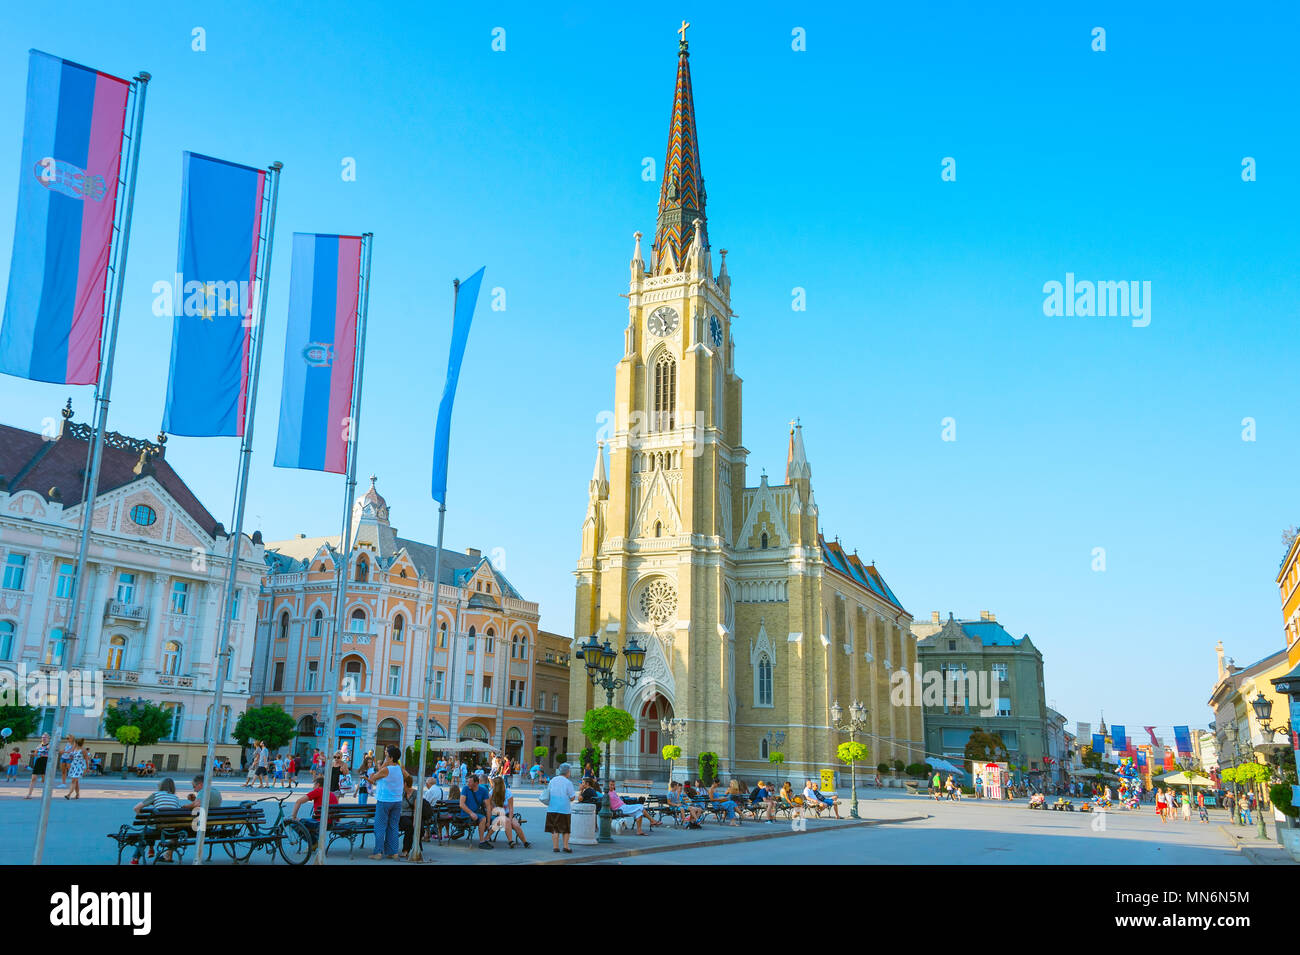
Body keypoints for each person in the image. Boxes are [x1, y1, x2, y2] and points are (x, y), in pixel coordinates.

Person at [366, 745, 404, 860]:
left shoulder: (386, 769)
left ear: (391, 758)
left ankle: (378, 852)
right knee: (393, 826)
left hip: (384, 800)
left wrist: (382, 765)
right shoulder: (399, 768)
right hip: (397, 801)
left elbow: (372, 778)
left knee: (380, 826)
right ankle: (393, 852)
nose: (385, 757)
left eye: (387, 755)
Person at [131, 778, 182, 863]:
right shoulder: (175, 797)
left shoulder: (156, 794)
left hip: (156, 828)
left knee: (146, 832)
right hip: (170, 830)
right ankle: (151, 849)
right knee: (152, 826)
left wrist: (143, 818)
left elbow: (136, 808)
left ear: (161, 786)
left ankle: (135, 859)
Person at [544, 762, 577, 853]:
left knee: (555, 828)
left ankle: (555, 847)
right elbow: (572, 797)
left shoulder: (553, 780)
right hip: (564, 809)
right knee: (565, 829)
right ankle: (566, 846)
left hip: (552, 808)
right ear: (567, 772)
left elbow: (548, 792)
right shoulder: (568, 782)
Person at [491, 776, 531, 847]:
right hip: (496, 815)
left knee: (516, 825)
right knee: (506, 821)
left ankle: (525, 842)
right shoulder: (491, 793)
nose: (492, 785)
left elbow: (511, 808)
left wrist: (510, 818)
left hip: (507, 814)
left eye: (493, 784)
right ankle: (510, 841)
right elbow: (491, 808)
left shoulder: (508, 792)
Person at [459, 772, 494, 849]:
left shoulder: (483, 790)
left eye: (470, 782)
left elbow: (488, 806)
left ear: (476, 783)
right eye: (467, 781)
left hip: (477, 813)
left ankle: (483, 841)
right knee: (482, 818)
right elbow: (461, 804)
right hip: (466, 813)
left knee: (486, 819)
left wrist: (488, 822)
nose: (468, 783)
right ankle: (482, 842)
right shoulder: (465, 789)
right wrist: (471, 813)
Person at [25, 733, 50, 799]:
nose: (43, 738)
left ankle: (46, 794)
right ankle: (29, 794)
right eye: (42, 737)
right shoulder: (39, 746)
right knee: (33, 778)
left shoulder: (49, 746)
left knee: (44, 779)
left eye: (45, 737)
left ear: (48, 739)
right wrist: (31, 754)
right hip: (38, 762)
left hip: (45, 762)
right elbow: (36, 754)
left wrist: (43, 755)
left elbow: (51, 756)